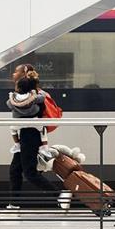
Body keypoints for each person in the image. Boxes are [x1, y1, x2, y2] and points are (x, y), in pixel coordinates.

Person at [6, 69, 70, 210]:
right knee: (15, 169)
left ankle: (59, 194)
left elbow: (10, 104)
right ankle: (14, 203)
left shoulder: (18, 99)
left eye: (17, 72)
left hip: (28, 135)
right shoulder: (37, 97)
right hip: (30, 135)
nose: (13, 74)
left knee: (29, 172)